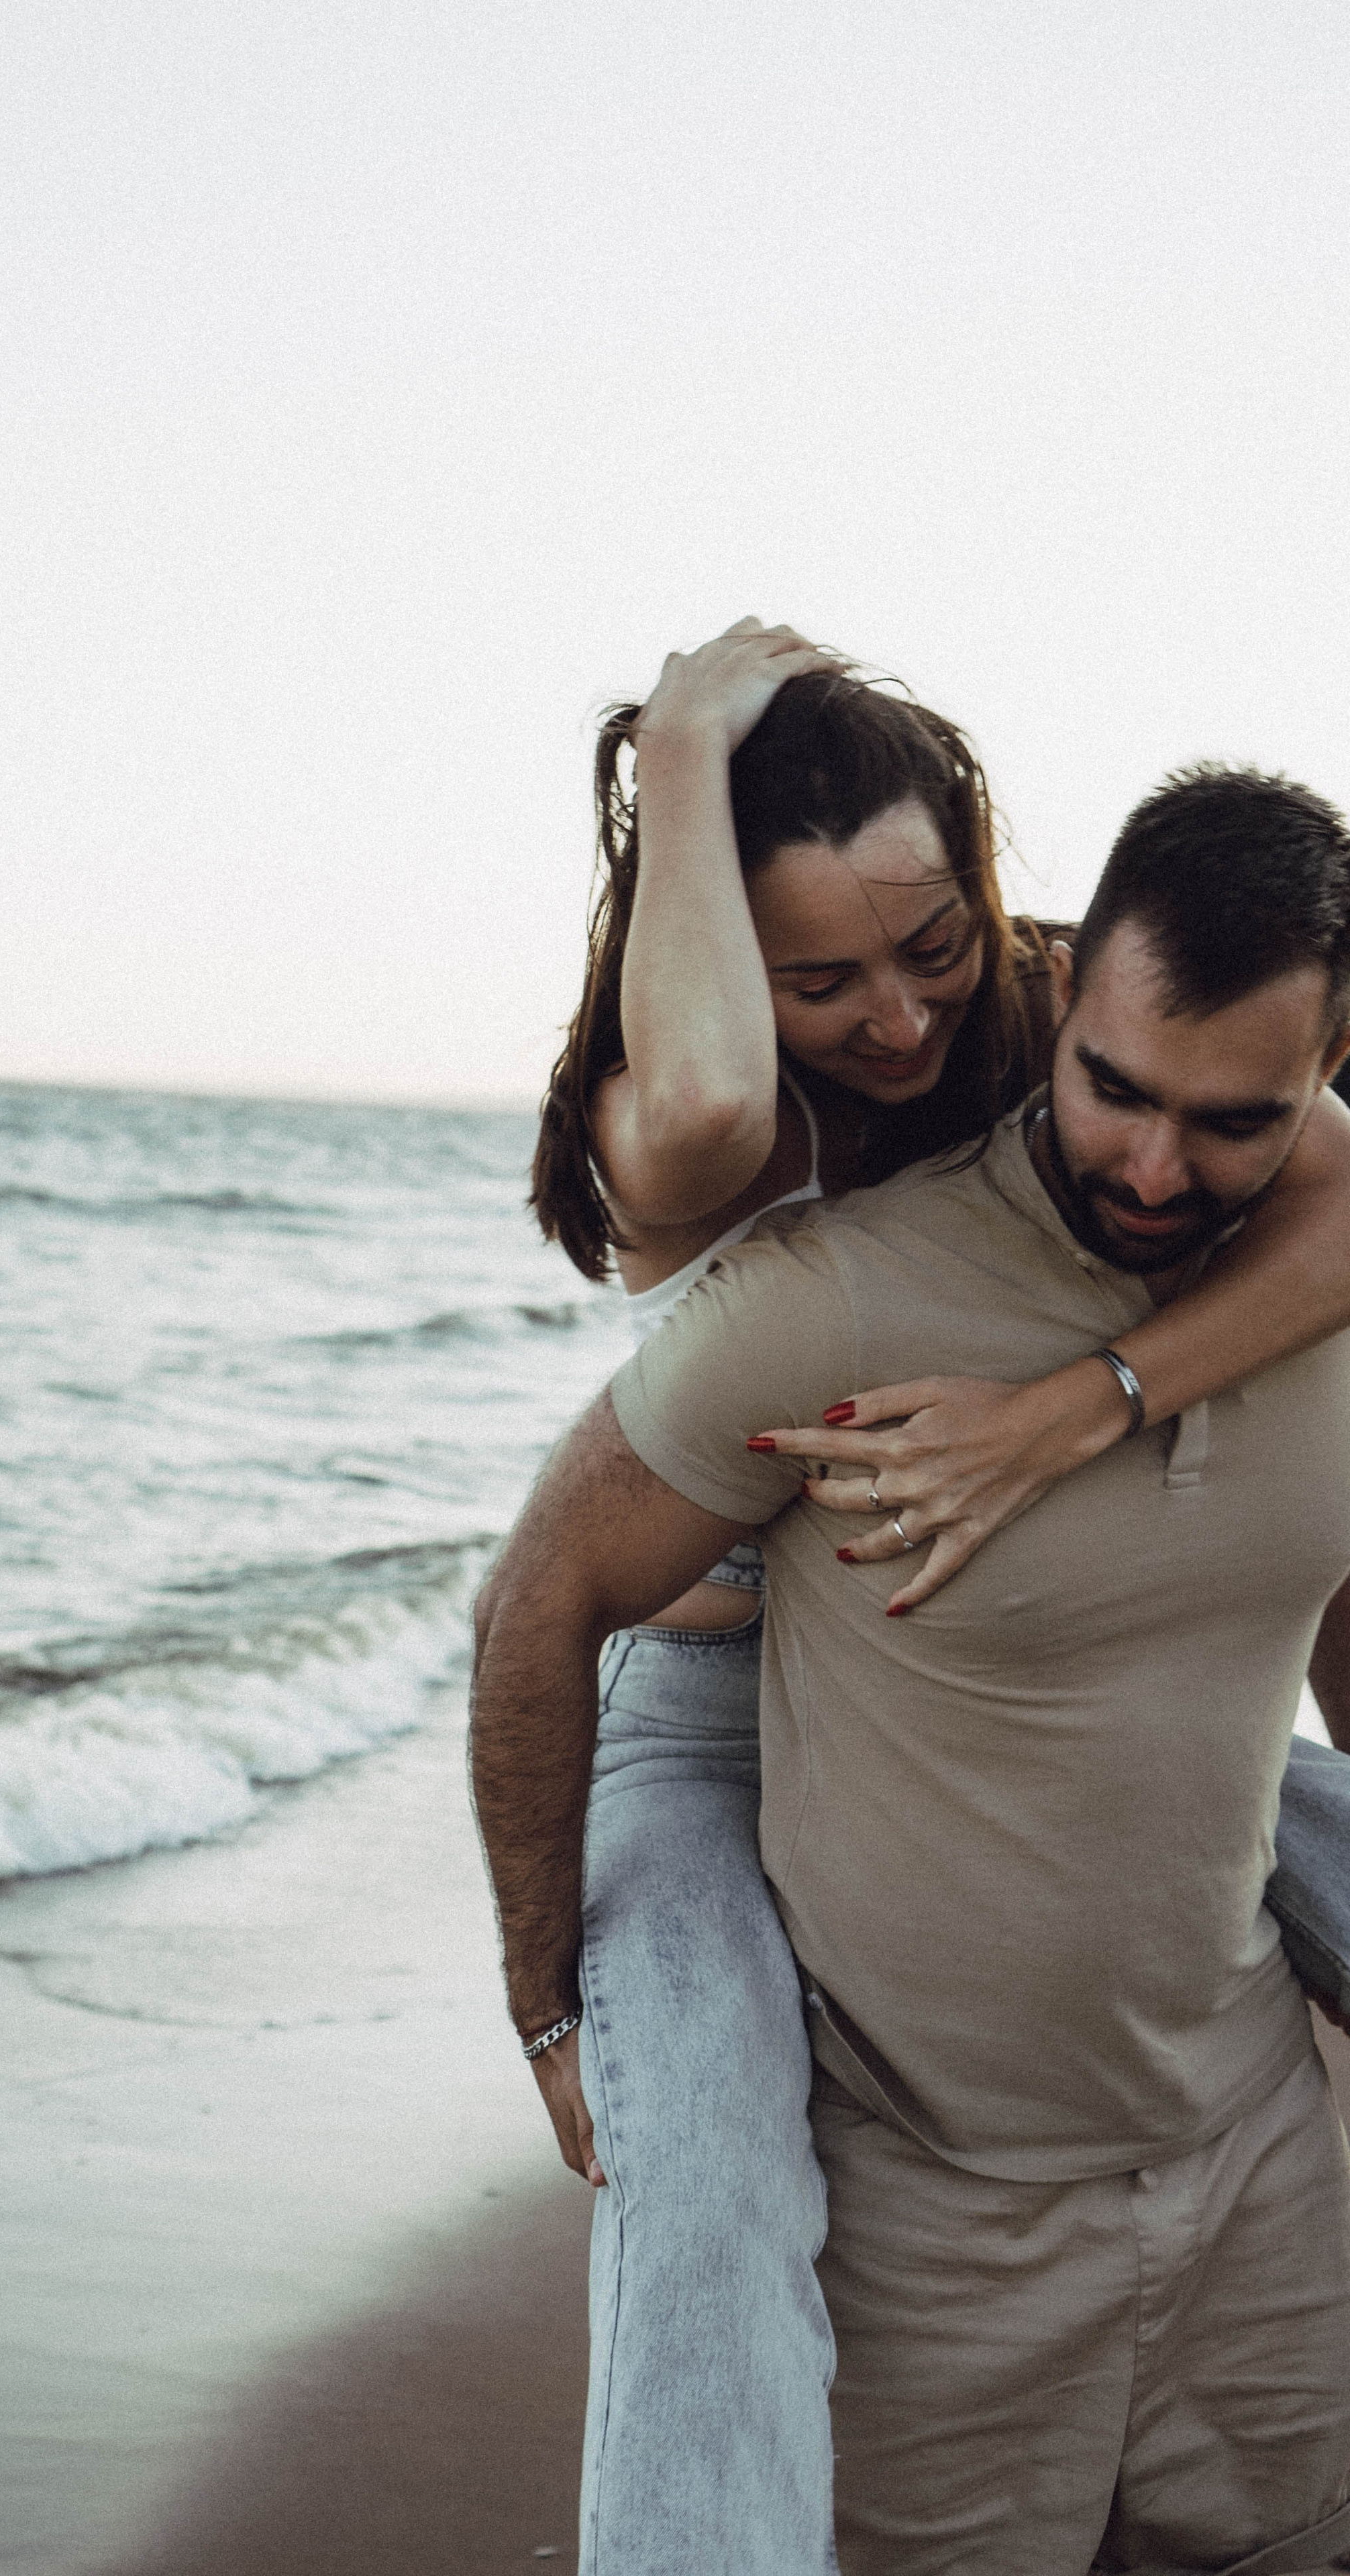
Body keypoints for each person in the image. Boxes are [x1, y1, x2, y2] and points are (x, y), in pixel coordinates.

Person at [518, 625, 1350, 2576]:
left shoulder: (1078, 1013)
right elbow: (726, 1094)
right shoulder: (677, 1116)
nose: (895, 1027)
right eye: (817, 978)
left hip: (1014, 1660)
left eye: (932, 953)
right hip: (715, 1714)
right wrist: (685, 755)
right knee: (706, 2180)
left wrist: (1081, 1406)